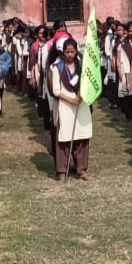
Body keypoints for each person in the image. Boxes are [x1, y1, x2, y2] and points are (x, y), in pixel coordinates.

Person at [50, 38, 93, 182]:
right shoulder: (57, 67)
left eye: (72, 52)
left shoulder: (82, 66)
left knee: (82, 136)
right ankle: (62, 170)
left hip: (81, 104)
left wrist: (81, 97)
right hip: (65, 105)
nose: (70, 55)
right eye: (67, 52)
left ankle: (82, 169)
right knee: (64, 137)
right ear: (63, 52)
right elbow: (56, 90)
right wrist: (71, 100)